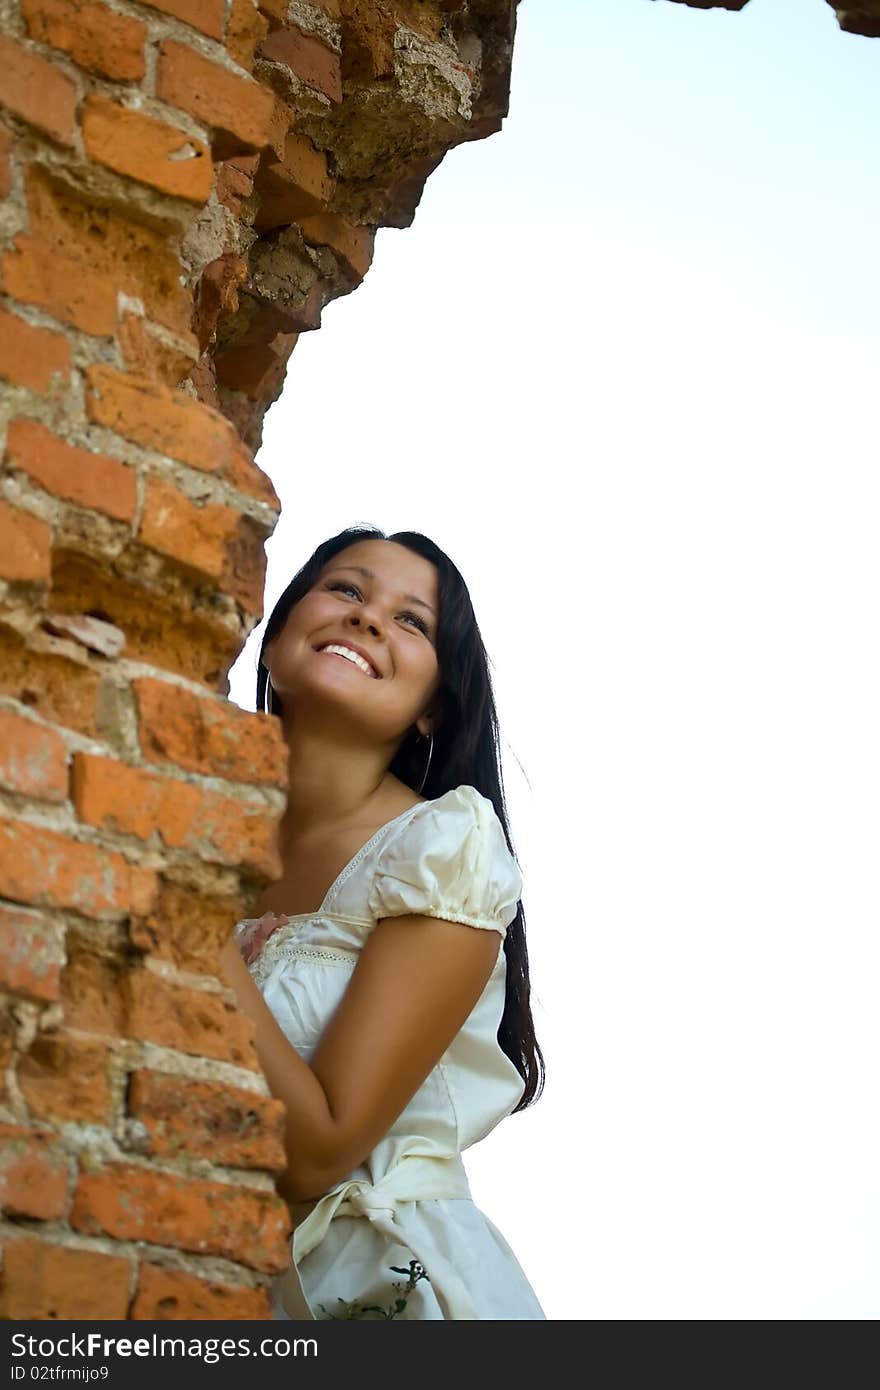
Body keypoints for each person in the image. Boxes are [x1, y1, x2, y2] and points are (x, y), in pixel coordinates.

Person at [219, 525, 545, 1320]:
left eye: (412, 621)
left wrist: (188, 927)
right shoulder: (199, 819)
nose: (368, 619)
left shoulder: (444, 850)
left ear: (434, 709)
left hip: (380, 1292)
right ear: (275, 641)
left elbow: (318, 1150)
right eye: (346, 590)